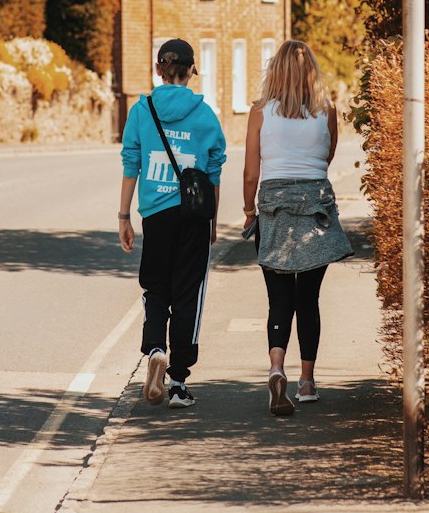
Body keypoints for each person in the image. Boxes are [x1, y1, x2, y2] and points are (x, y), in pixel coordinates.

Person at [242, 39, 352, 417]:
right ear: (312, 72)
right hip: (315, 208)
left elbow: (250, 172)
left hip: (273, 208)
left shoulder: (260, 112)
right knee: (308, 299)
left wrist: (247, 210)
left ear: (275, 71)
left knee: (278, 299)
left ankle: (276, 368)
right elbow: (328, 154)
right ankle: (306, 382)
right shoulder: (327, 111)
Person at [118, 38, 226, 410]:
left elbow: (131, 162)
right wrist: (212, 220)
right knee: (188, 295)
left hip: (156, 216)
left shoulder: (141, 111)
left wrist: (124, 216)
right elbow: (214, 171)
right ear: (191, 72)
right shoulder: (205, 115)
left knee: (155, 287)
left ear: (158, 70)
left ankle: (156, 350)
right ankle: (178, 382)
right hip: (193, 216)